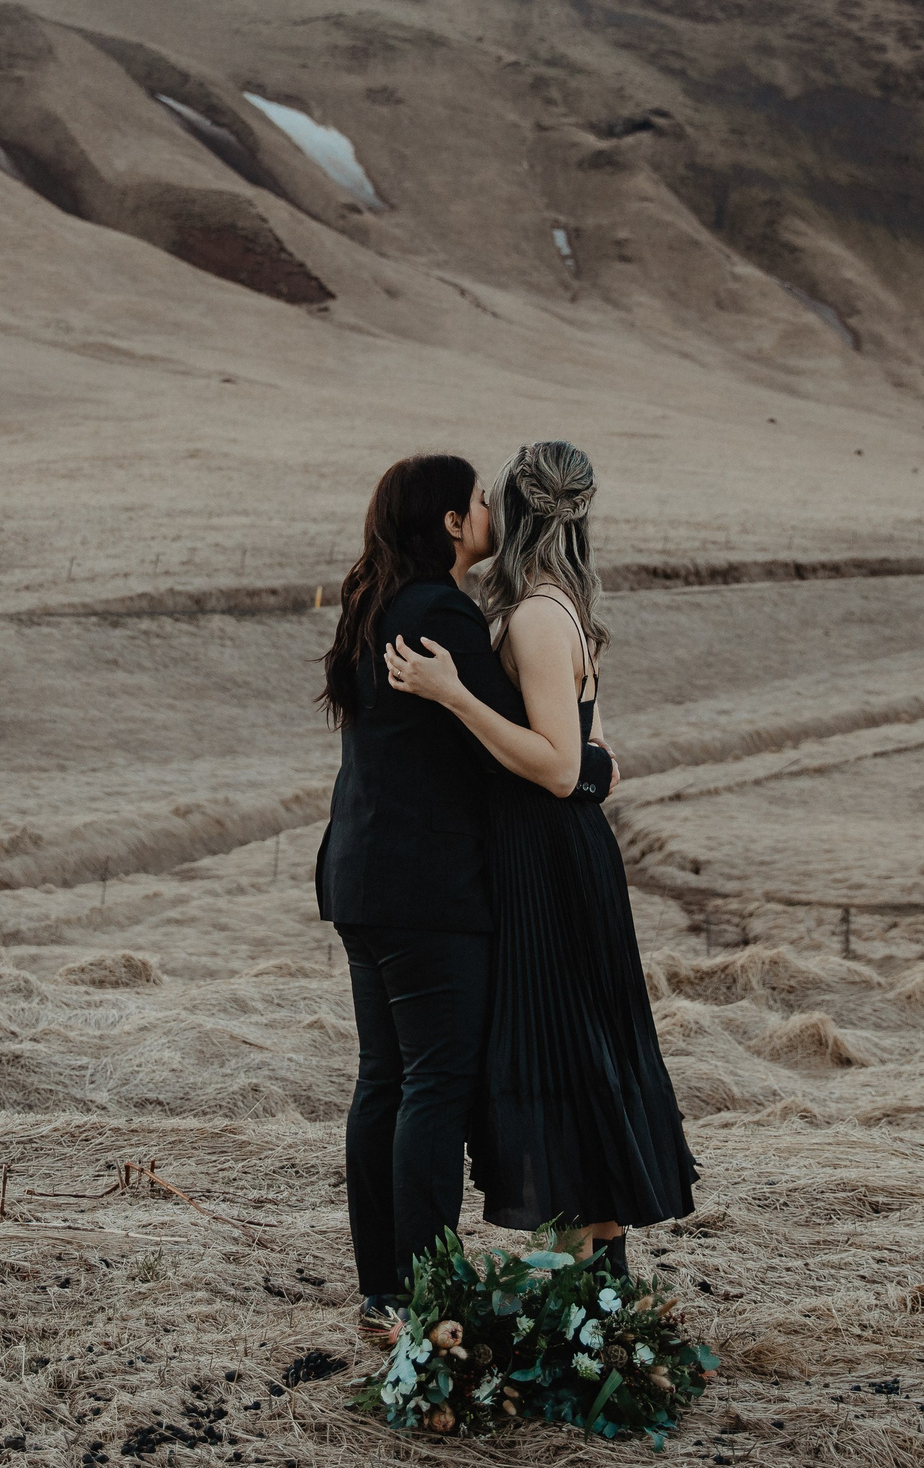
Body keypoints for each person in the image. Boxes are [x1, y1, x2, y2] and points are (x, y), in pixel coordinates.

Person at [314, 453, 614, 1325]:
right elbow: (524, 743)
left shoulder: (375, 604)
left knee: (383, 1079)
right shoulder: (441, 610)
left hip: (360, 882)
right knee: (435, 1084)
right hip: (431, 894)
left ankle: (381, 1288)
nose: (488, 509)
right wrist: (592, 767)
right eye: (477, 499)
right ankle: (424, 1293)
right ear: (450, 522)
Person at [385, 440, 696, 1276]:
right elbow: (594, 753)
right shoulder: (561, 607)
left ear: (516, 513)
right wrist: (592, 764)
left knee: (563, 1057)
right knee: (576, 1056)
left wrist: (453, 695)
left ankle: (590, 1305)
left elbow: (560, 766)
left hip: (549, 864)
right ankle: (599, 1301)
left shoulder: (531, 615)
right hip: (559, 856)